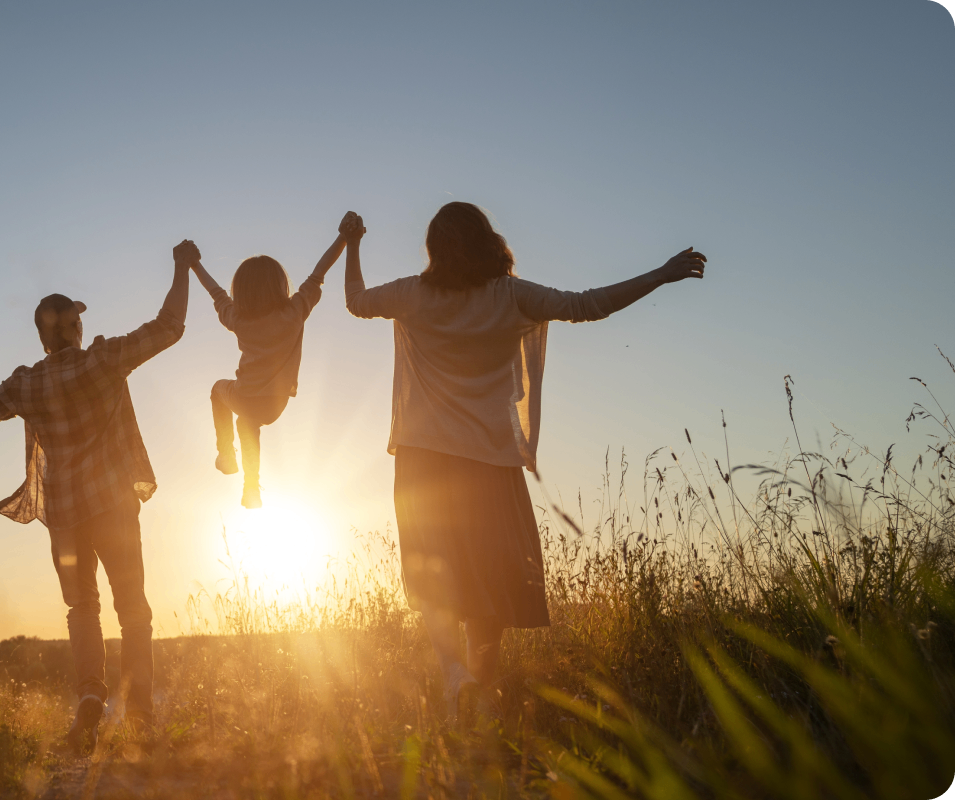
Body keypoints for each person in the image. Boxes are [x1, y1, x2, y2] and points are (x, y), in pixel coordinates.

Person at [342, 203, 707, 719]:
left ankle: (455, 679)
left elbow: (355, 301)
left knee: (437, 576)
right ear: (488, 239)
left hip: (422, 460)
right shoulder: (511, 297)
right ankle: (481, 689)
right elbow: (589, 305)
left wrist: (353, 243)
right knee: (489, 576)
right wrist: (661, 275)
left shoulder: (413, 294)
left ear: (435, 249)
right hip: (488, 462)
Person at [0, 241, 192, 754]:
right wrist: (182, 268)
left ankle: (90, 701)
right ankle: (139, 713)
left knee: (82, 610)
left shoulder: (27, 383)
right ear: (73, 328)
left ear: (41, 337)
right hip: (114, 507)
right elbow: (169, 326)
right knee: (133, 609)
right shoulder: (103, 359)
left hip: (65, 517)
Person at [183, 213, 354, 508]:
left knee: (218, 391)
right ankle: (251, 488)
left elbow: (216, 292)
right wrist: (343, 237)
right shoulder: (295, 311)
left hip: (246, 394)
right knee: (247, 422)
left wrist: (194, 264)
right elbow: (319, 272)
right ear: (280, 285)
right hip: (275, 404)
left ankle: (226, 455)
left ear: (241, 291)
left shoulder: (237, 318)